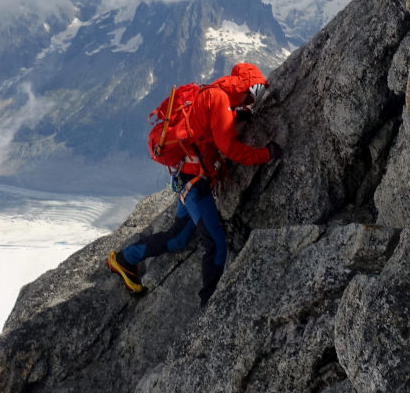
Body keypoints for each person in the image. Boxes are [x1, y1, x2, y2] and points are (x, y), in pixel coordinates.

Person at [106, 62, 282, 306]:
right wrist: (266, 154)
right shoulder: (220, 99)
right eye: (254, 94)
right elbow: (229, 148)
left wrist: (240, 113)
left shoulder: (214, 94)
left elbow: (213, 125)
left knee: (179, 238)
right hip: (195, 187)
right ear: (247, 86)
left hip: (187, 179)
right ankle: (209, 305)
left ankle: (125, 259)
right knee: (218, 246)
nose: (251, 100)